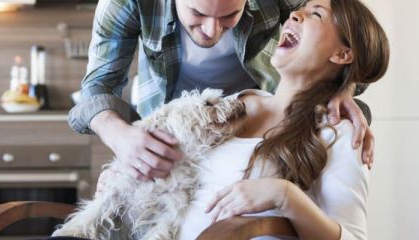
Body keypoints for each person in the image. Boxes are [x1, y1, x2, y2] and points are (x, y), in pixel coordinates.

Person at [98, 0, 388, 238]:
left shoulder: (336, 133)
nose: (295, 14)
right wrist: (124, 175)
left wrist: (285, 195)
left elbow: (352, 235)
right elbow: (168, 171)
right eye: (198, 13)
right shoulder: (225, 107)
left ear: (342, 53)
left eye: (314, 14)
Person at [68, 0, 376, 182]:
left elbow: (346, 43)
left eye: (229, 15)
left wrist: (340, 89)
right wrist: (121, 138)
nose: (211, 31)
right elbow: (97, 88)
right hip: (176, 135)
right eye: (198, 14)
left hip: (260, 132)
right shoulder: (126, 2)